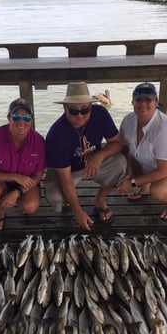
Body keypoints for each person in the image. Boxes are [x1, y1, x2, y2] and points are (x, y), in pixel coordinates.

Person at [44, 81, 127, 231]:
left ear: (91, 106)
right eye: (73, 111)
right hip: (67, 170)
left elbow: (117, 143)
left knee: (121, 163)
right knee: (55, 197)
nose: (80, 115)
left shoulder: (100, 113)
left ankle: (100, 201)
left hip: (94, 163)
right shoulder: (56, 135)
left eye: (85, 110)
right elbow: (65, 180)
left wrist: (99, 156)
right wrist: (78, 212)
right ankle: (68, 201)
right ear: (65, 108)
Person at [116, 82, 167, 221]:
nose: (143, 103)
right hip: (150, 160)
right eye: (139, 99)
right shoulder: (128, 120)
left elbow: (164, 171)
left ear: (156, 103)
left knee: (158, 192)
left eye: (148, 100)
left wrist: (132, 182)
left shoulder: (164, 129)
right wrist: (128, 175)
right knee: (120, 163)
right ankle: (144, 187)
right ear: (132, 102)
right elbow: (125, 149)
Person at [0, 98, 46, 230]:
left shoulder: (38, 141)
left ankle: (18, 201)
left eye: (26, 117)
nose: (22, 122)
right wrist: (15, 177)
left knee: (30, 207)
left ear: (31, 120)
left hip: (25, 184)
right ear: (9, 118)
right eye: (16, 117)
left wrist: (17, 192)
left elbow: (37, 176)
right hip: (0, 181)